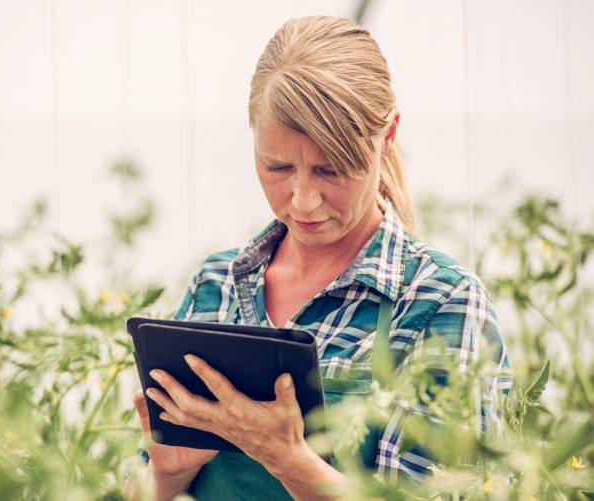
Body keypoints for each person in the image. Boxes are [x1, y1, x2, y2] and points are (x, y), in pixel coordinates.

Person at [126, 15, 511, 500]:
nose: (303, 200)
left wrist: (291, 463)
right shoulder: (217, 283)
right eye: (278, 166)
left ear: (387, 136)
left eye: (331, 170)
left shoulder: (442, 302)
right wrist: (166, 476)